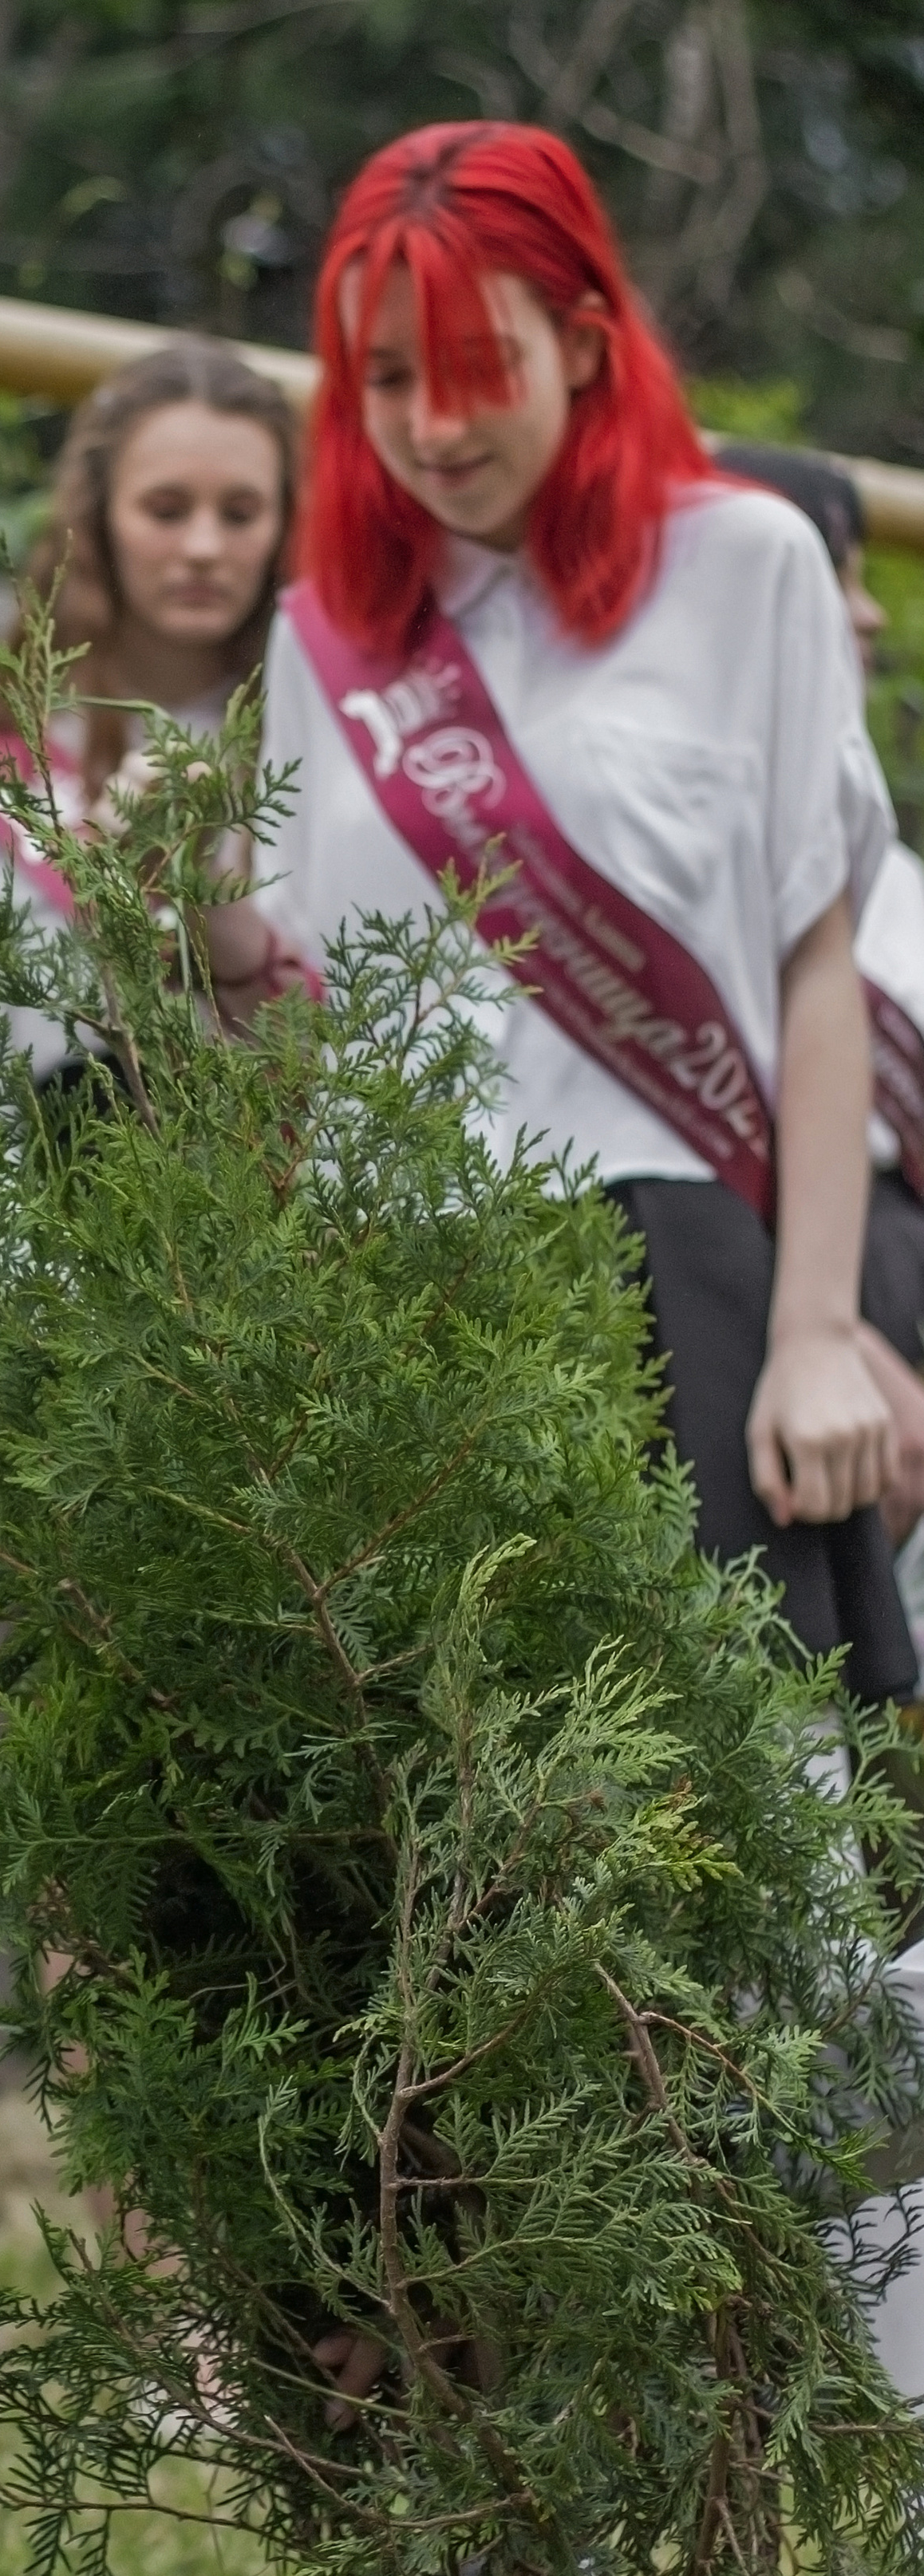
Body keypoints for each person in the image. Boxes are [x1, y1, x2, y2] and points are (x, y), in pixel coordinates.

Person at [255, 120, 909, 1722]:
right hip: (392, 1288)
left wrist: (815, 1330)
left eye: (475, 364)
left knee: (756, 1823)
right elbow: (290, 997)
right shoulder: (320, 636)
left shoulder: (744, 567)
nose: (427, 424)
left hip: (670, 1264)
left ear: (586, 341)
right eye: (383, 378)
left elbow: (811, 967)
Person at [0, 340, 298, 1071]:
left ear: (285, 527)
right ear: (99, 518)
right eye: (166, 509)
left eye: (241, 513)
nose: (205, 546)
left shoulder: (327, 750)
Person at [708, 440, 924, 1560]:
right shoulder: (676, 862)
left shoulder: (889, 864)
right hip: (771, 1280)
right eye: (835, 575)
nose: (871, 615)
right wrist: (826, 1329)